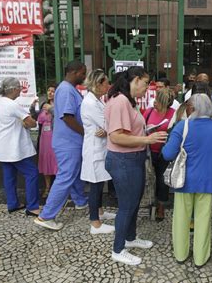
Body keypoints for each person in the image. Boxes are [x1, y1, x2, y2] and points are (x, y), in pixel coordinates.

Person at [105, 66, 168, 266]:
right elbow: (116, 136)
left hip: (132, 159)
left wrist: (146, 133)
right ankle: (118, 249)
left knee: (133, 202)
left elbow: (130, 130)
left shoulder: (128, 101)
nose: (147, 87)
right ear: (136, 79)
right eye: (146, 82)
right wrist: (147, 139)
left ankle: (130, 238)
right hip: (123, 160)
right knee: (127, 206)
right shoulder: (121, 101)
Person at [162, 94, 212, 267]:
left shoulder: (181, 126)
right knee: (203, 219)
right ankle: (200, 257)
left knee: (181, 219)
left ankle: (181, 254)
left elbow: (167, 154)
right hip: (209, 181)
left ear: (193, 108)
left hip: (184, 181)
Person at [35, 60, 88, 231]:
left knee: (74, 174)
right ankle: (46, 216)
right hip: (68, 142)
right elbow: (67, 116)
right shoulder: (66, 89)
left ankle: (80, 201)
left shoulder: (68, 89)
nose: (84, 76)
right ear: (74, 72)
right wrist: (84, 132)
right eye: (83, 73)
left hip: (69, 141)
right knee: (66, 176)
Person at [0, 77, 40, 216]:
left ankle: (13, 203)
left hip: (1, 146)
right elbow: (31, 123)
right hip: (12, 147)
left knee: (9, 175)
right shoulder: (12, 105)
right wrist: (32, 120)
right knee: (32, 173)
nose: (20, 90)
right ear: (12, 89)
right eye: (19, 87)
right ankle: (33, 206)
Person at [80, 69, 116, 235]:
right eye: (106, 82)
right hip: (94, 149)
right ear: (98, 84)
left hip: (101, 147)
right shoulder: (90, 103)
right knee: (95, 185)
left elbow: (107, 123)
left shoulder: (98, 100)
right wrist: (107, 128)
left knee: (100, 182)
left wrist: (106, 128)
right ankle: (95, 223)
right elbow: (108, 121)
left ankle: (100, 212)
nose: (109, 85)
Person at [143, 88, 176, 221]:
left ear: (165, 103)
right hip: (149, 152)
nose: (154, 102)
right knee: (150, 179)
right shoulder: (149, 111)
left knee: (162, 181)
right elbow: (141, 126)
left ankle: (161, 206)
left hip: (164, 152)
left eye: (158, 101)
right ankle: (150, 202)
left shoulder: (173, 114)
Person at [37, 95, 57, 198]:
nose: (50, 93)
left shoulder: (58, 106)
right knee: (45, 162)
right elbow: (37, 119)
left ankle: (58, 189)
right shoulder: (43, 106)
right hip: (44, 139)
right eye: (49, 90)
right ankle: (47, 187)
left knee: (56, 162)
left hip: (55, 138)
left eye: (53, 91)